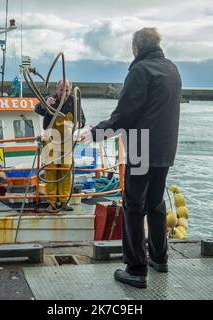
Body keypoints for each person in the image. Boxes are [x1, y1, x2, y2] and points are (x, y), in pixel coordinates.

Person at [81, 28, 181, 288]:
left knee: (133, 206)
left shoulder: (140, 70)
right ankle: (160, 259)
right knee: (156, 204)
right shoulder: (172, 69)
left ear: (135, 48)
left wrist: (94, 133)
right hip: (165, 147)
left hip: (140, 146)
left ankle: (136, 269)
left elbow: (125, 114)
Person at [35, 80, 86, 212]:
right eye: (61, 89)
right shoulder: (50, 99)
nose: (64, 92)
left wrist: (79, 123)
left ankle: (63, 201)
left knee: (65, 171)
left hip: (67, 142)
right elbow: (37, 109)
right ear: (57, 88)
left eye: (67, 90)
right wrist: (44, 105)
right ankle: (52, 202)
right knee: (51, 170)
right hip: (50, 140)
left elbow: (82, 119)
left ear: (71, 89)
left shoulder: (75, 101)